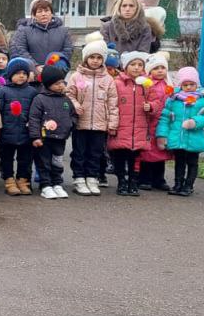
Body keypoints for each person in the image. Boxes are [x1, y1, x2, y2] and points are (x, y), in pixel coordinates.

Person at [64, 33, 119, 196]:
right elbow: (69, 95)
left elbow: (113, 102)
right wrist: (75, 105)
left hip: (100, 124)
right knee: (79, 152)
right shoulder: (76, 76)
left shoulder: (108, 79)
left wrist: (112, 123)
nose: (95, 60)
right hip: (81, 123)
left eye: (99, 57)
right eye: (92, 57)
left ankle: (92, 178)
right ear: (85, 58)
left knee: (96, 153)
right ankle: (79, 178)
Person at [107, 51, 160, 196]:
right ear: (125, 66)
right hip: (122, 127)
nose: (136, 68)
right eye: (133, 64)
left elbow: (156, 101)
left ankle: (133, 181)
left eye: (140, 65)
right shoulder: (117, 83)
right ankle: (121, 182)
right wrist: (112, 124)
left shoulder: (147, 85)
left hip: (139, 128)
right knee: (120, 156)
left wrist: (151, 106)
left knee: (135, 158)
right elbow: (111, 103)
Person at [156, 67, 204, 197]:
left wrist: (195, 122)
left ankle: (189, 185)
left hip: (194, 138)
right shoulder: (173, 100)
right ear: (180, 85)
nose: (188, 87)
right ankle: (178, 184)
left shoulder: (202, 100)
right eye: (185, 85)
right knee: (179, 162)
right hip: (178, 137)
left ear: (197, 84)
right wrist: (162, 135)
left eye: (191, 84)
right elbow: (165, 118)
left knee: (192, 163)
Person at [29, 66, 75, 199]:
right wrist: (35, 136)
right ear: (48, 84)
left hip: (60, 138)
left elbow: (73, 114)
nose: (61, 86)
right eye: (57, 83)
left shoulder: (65, 99)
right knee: (44, 162)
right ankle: (45, 185)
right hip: (44, 138)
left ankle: (57, 183)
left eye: (62, 82)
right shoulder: (40, 99)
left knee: (58, 162)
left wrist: (70, 124)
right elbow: (34, 118)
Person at [0, 57, 39, 196]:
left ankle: (23, 180)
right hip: (7, 132)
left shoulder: (32, 92)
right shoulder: (3, 91)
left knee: (25, 158)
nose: (22, 76)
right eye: (18, 73)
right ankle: (9, 179)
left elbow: (35, 112)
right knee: (7, 157)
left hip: (26, 132)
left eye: (24, 73)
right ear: (10, 74)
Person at [138, 53, 173, 190]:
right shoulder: (147, 83)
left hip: (163, 123)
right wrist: (150, 107)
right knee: (147, 152)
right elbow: (145, 100)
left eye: (162, 68)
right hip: (149, 122)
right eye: (156, 68)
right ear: (149, 70)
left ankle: (159, 179)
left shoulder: (169, 84)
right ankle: (144, 178)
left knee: (161, 151)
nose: (160, 71)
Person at [10, 0, 72, 69]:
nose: (43, 14)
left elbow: (67, 50)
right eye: (39, 11)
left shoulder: (64, 31)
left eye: (46, 10)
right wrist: (35, 66)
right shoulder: (24, 31)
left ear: (51, 13)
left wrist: (53, 64)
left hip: (56, 72)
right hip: (33, 73)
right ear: (34, 15)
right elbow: (21, 50)